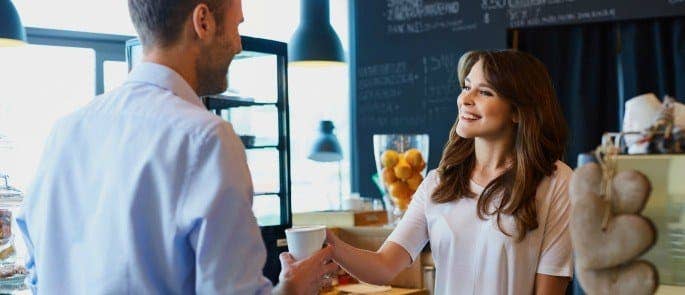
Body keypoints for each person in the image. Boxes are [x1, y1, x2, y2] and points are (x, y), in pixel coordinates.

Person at [16, 0, 337, 293]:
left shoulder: (64, 132)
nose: (238, 45)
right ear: (203, 21)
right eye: (237, 26)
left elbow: (37, 276)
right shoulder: (205, 138)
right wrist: (292, 291)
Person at [326, 50, 573, 294]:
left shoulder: (556, 181)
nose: (465, 99)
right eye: (466, 87)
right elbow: (383, 267)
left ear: (518, 112)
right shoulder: (438, 183)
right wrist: (331, 245)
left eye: (485, 92)